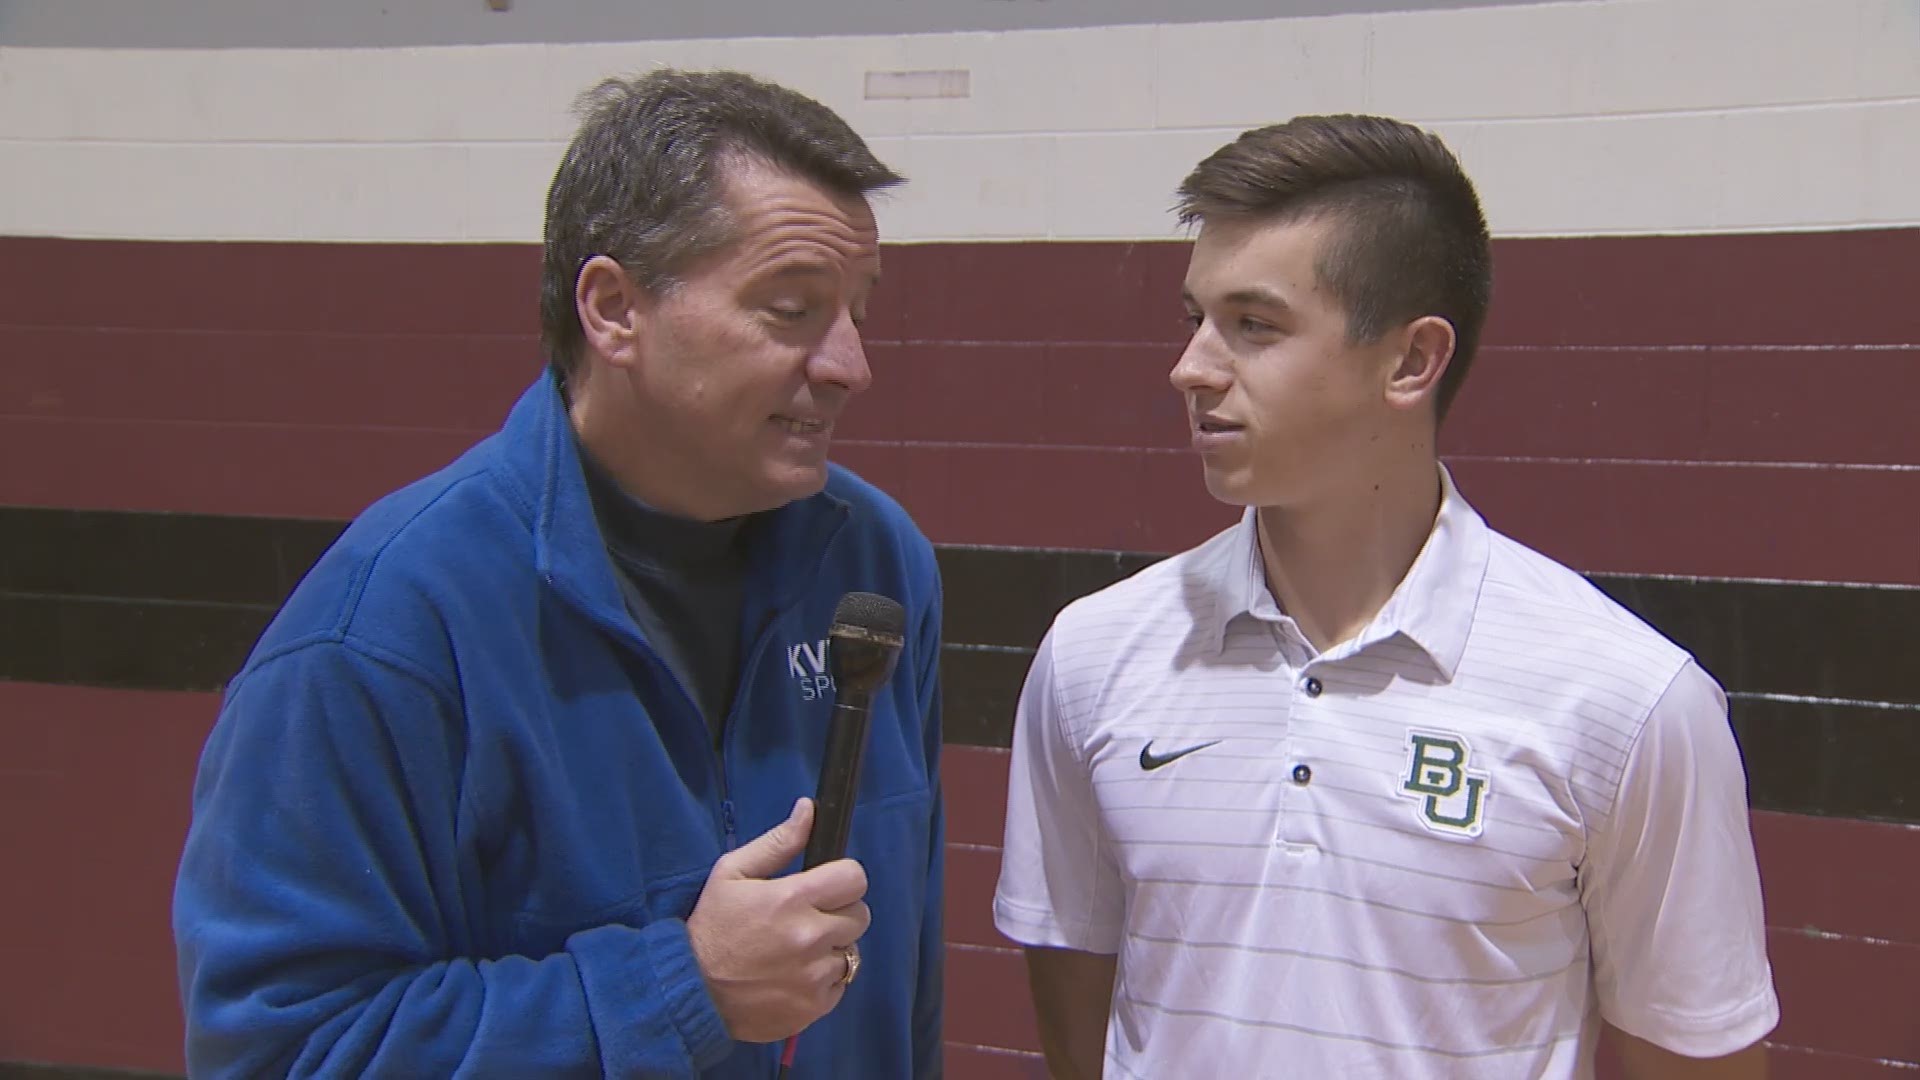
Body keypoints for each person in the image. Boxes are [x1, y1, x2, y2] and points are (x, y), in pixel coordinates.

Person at [173, 69, 944, 1079]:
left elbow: (906, 979)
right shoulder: (386, 626)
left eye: (857, 311)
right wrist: (682, 991)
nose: (849, 363)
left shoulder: (879, 567)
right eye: (792, 309)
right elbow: (285, 1050)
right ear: (615, 309)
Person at [992, 114, 1779, 1079]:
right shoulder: (1091, 655)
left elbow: (1695, 1056)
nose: (1191, 366)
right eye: (1193, 317)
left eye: (1254, 325)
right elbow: (1078, 1002)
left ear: (1411, 361)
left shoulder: (1630, 703)